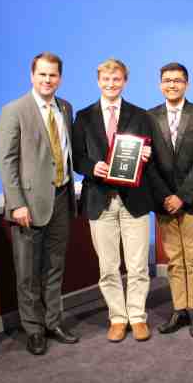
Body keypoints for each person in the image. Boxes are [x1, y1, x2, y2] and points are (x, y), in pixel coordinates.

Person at [0, 52, 79, 357]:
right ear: (32, 76)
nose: (48, 80)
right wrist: (17, 204)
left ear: (60, 78)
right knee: (28, 272)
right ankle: (33, 330)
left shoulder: (65, 108)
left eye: (53, 75)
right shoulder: (14, 110)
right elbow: (7, 163)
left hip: (61, 198)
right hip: (28, 205)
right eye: (42, 75)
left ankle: (53, 321)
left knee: (55, 267)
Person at [72, 58, 156, 343]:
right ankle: (118, 318)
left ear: (125, 82)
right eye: (106, 79)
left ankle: (137, 317)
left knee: (138, 266)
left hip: (134, 200)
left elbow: (150, 152)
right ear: (98, 81)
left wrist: (147, 155)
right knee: (108, 267)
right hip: (99, 199)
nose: (111, 84)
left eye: (116, 79)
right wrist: (90, 167)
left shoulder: (140, 115)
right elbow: (77, 157)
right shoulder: (83, 117)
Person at [148, 62, 193, 338]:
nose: (172, 84)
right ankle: (180, 309)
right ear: (160, 84)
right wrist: (166, 196)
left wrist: (182, 196)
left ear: (186, 83)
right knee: (174, 259)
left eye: (177, 80)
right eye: (166, 80)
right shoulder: (149, 117)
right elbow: (147, 162)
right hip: (163, 201)